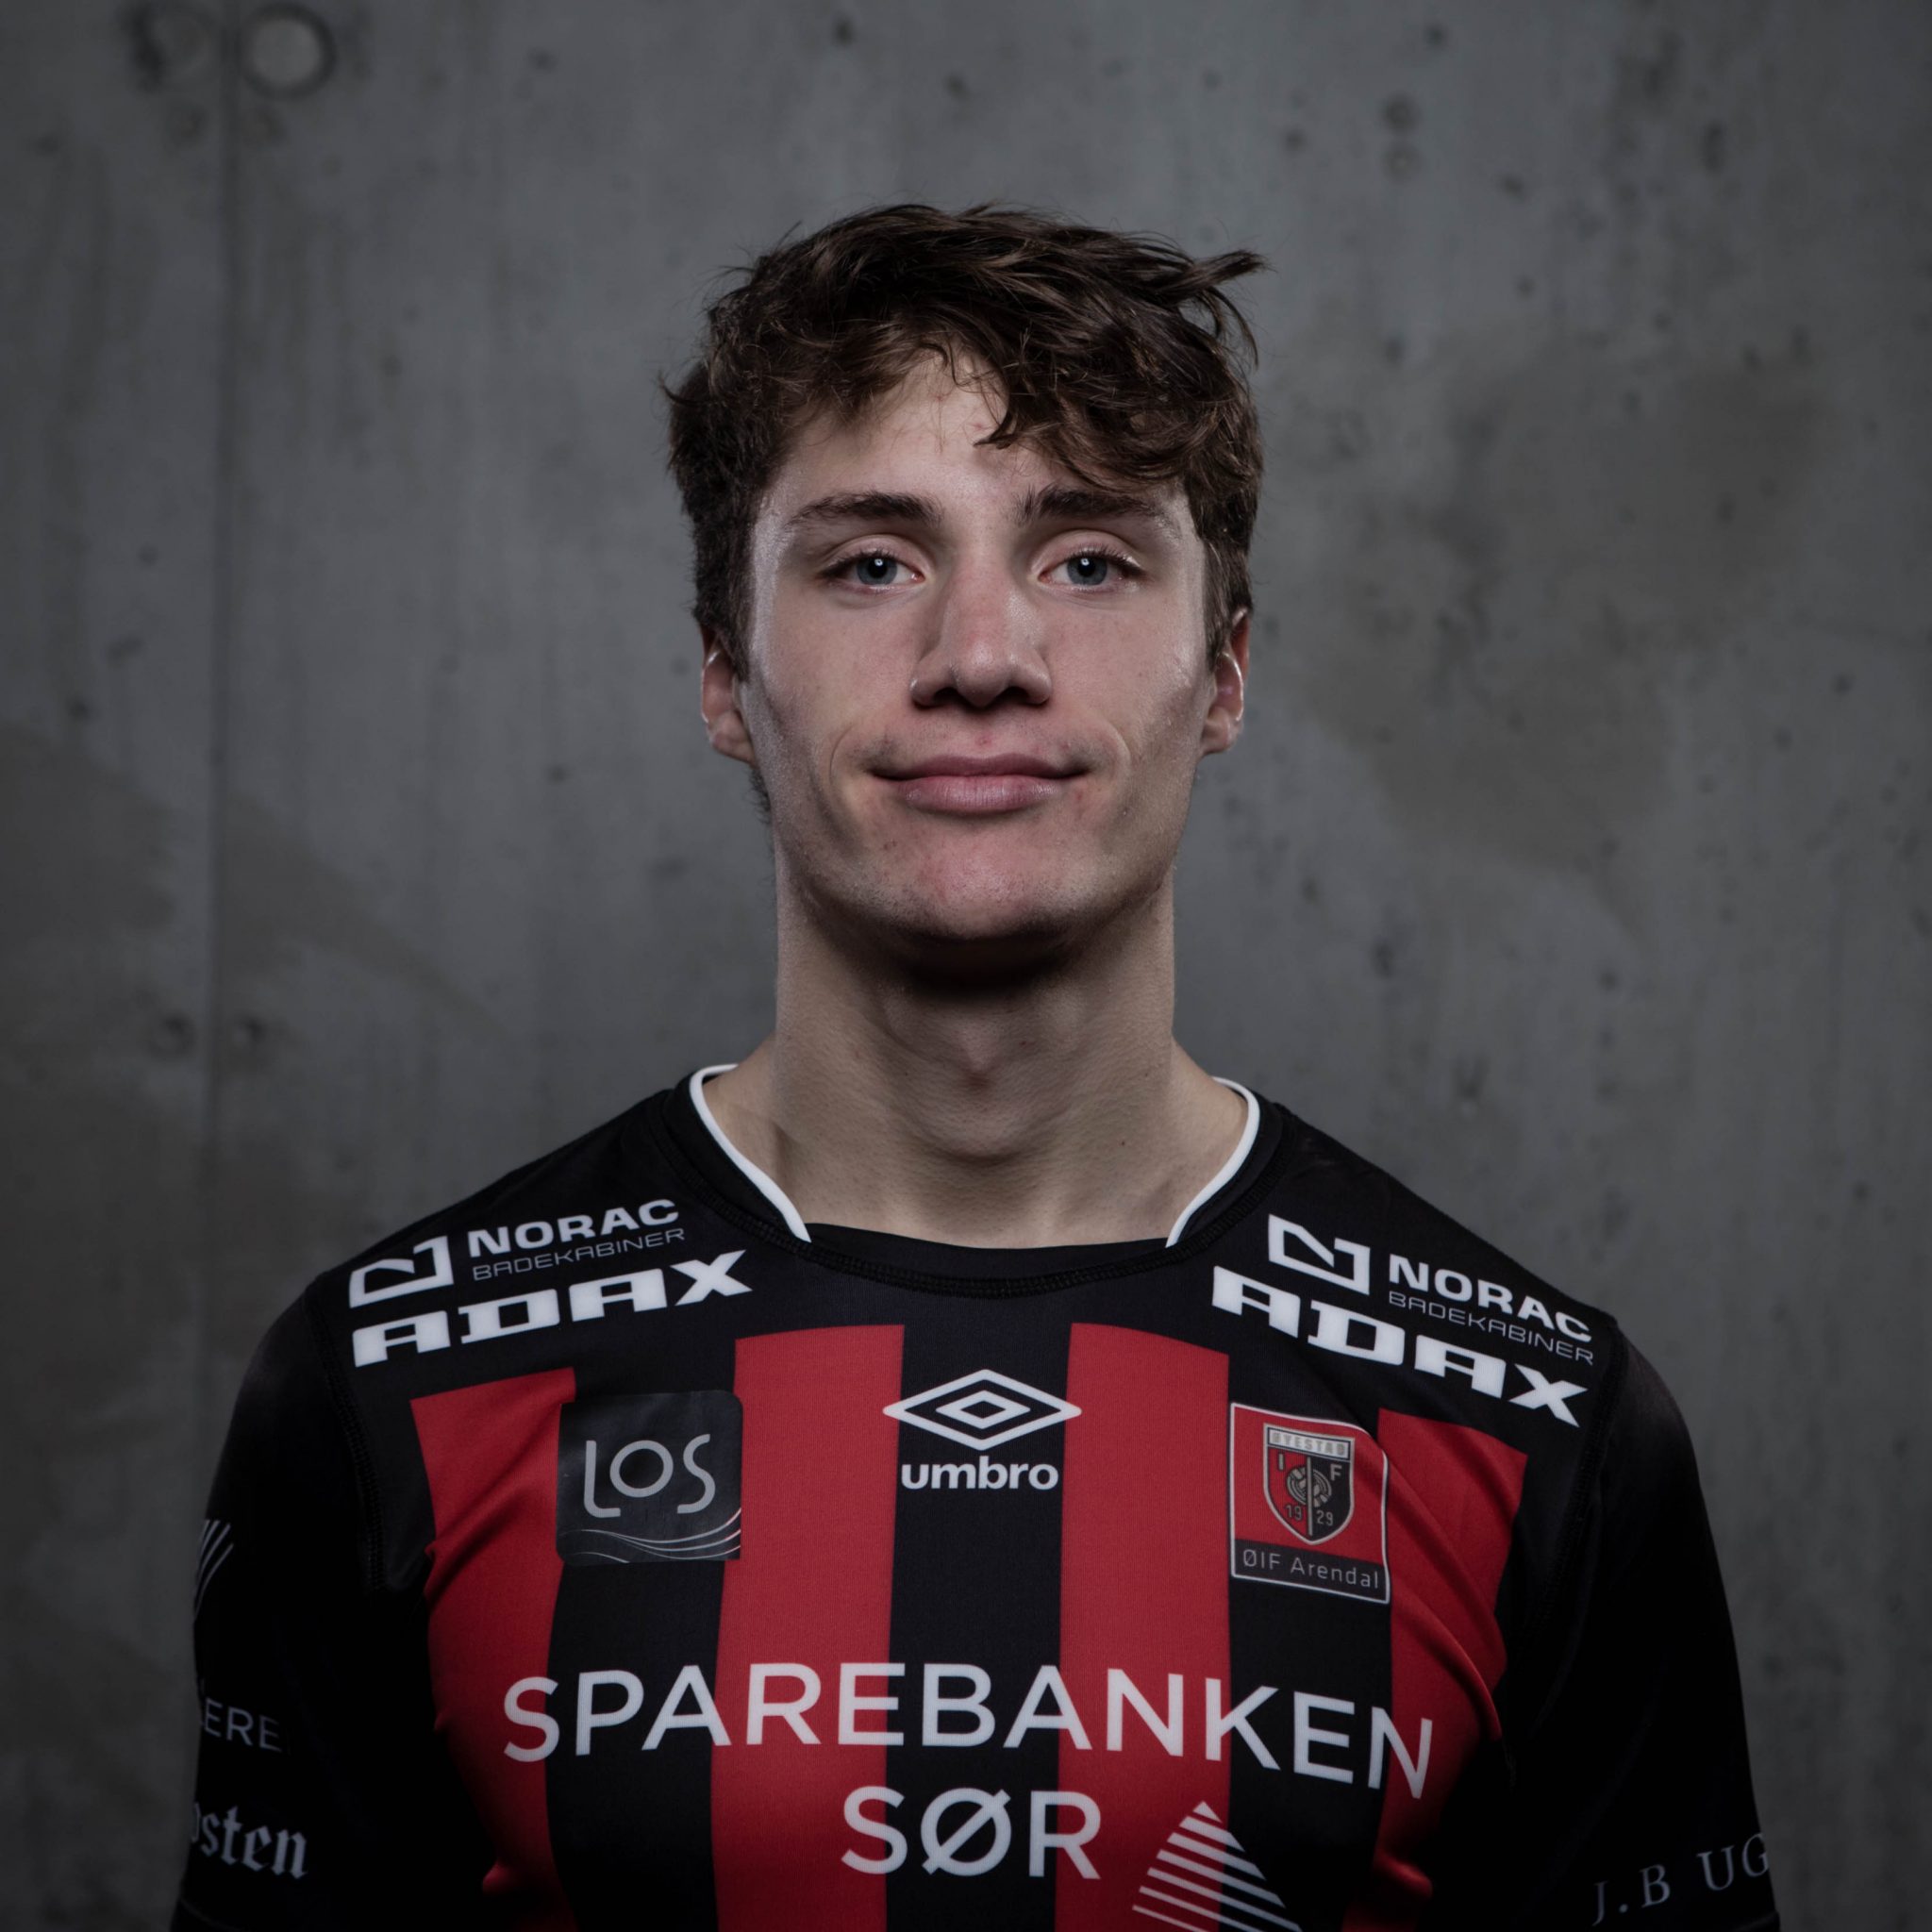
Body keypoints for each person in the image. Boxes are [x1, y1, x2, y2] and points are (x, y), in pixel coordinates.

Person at [175, 202, 1777, 1932]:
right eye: (873, 562)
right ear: (724, 672)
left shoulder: (1535, 1424)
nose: (984, 658)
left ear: (1225, 672)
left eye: (1088, 560)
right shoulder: (392, 1387)